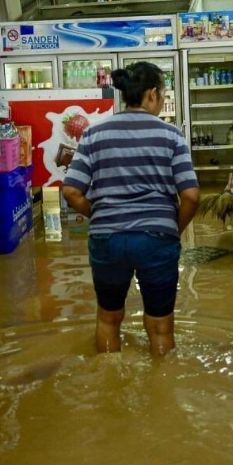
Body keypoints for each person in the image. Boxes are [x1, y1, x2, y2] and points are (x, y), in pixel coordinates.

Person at [62, 62, 200, 356]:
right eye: (162, 96)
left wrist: (100, 215)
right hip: (157, 238)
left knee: (109, 319)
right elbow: (190, 195)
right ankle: (162, 390)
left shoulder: (93, 135)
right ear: (151, 94)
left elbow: (72, 191)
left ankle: (110, 384)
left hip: (107, 239)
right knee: (161, 326)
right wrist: (174, 229)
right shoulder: (171, 136)